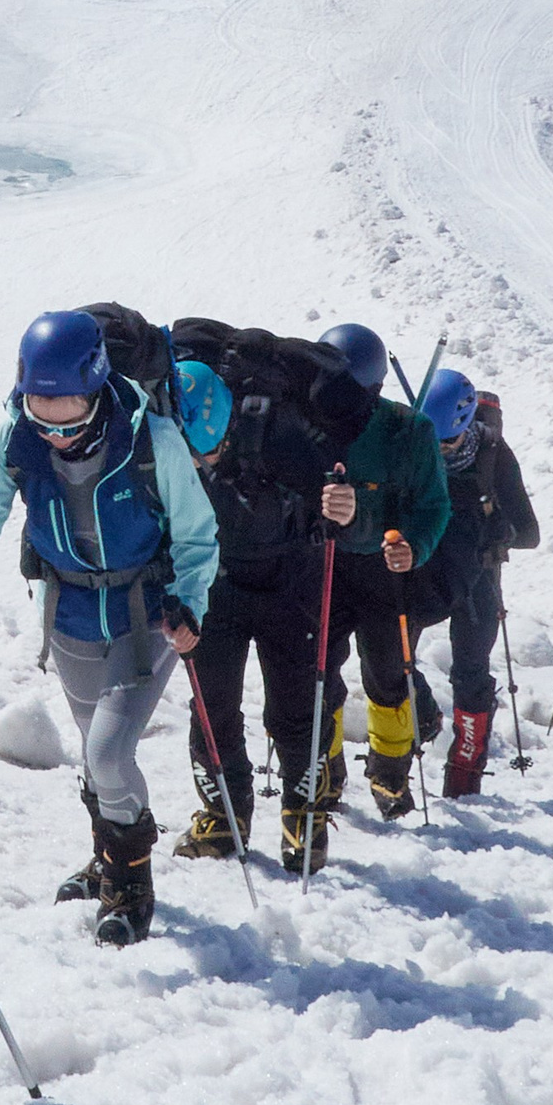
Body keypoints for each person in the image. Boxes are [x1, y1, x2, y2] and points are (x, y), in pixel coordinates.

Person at [0, 310, 216, 943]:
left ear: (97, 384)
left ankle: (131, 887)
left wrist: (190, 605)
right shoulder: (15, 440)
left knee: (108, 753)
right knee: (94, 755)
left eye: (66, 411)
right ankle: (110, 857)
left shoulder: (152, 439)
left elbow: (197, 536)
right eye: (38, 409)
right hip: (68, 615)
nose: (53, 428)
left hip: (144, 616)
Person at [288, 326, 451, 854]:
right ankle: (327, 768)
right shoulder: (302, 426)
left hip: (382, 573)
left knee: (388, 674)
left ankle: (390, 769)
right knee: (321, 673)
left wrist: (415, 548)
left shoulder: (410, 432)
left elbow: (433, 506)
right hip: (325, 567)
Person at [168, 348, 328, 868]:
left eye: (204, 454)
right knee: (211, 708)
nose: (197, 465)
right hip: (214, 587)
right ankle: (223, 819)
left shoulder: (283, 434)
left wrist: (341, 509)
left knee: (295, 711)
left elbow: (336, 509)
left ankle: (304, 820)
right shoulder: (171, 442)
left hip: (289, 585)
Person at [410, 373, 540, 797]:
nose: (440, 452)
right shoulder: (414, 444)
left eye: (447, 443)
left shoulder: (493, 454)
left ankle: (465, 774)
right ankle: (424, 716)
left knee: (470, 674)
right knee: (392, 659)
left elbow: (529, 532)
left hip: (478, 578)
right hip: (423, 571)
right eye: (434, 442)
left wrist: (498, 531)